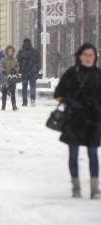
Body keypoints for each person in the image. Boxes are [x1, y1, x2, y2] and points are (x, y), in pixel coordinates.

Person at [54, 43, 101, 199]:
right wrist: (71, 102)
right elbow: (58, 93)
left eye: (91, 55)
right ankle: (76, 186)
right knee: (73, 154)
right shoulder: (71, 74)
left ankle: (95, 188)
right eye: (86, 55)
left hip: (94, 121)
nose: (89, 58)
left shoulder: (98, 75)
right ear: (79, 56)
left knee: (93, 153)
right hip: (74, 120)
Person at [17, 38, 41, 107]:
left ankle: (24, 102)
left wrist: (20, 70)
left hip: (24, 72)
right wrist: (36, 70)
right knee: (32, 87)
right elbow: (38, 62)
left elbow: (18, 62)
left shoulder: (21, 52)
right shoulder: (35, 52)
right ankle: (32, 100)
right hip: (33, 72)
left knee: (24, 87)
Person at [0, 45, 20, 111]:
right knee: (4, 93)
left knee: (13, 92)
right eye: (9, 51)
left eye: (11, 51)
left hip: (12, 78)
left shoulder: (15, 59)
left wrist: (15, 70)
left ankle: (14, 106)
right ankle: (3, 106)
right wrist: (3, 71)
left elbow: (17, 67)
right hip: (5, 78)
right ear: (6, 52)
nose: (10, 52)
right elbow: (1, 67)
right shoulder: (3, 59)